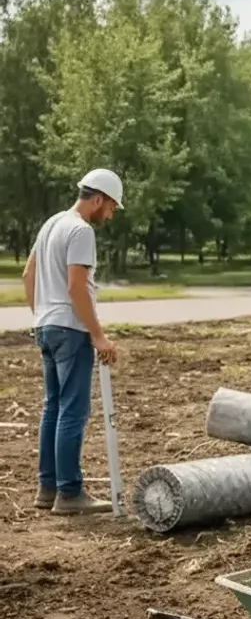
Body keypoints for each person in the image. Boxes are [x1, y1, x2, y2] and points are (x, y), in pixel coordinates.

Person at [22, 168, 123, 515]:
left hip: (46, 326)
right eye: (110, 206)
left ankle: (47, 488)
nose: (109, 214)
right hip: (71, 330)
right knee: (73, 411)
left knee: (53, 407)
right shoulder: (81, 231)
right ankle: (69, 492)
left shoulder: (50, 225)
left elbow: (28, 275)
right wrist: (98, 335)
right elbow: (76, 286)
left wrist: (40, 316)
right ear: (97, 198)